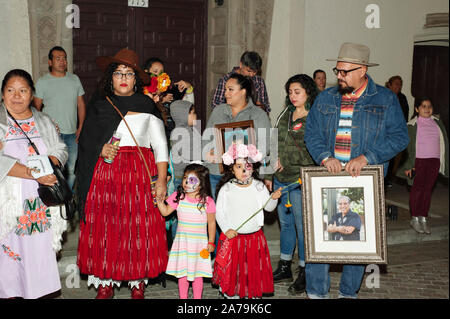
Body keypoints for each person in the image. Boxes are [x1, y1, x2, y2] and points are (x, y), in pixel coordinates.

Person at [304, 42, 409, 299]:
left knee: (357, 241)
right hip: (327, 179)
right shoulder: (326, 98)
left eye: (345, 71)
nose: (338, 76)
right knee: (320, 238)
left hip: (364, 180)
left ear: (362, 70)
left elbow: (399, 137)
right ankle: (316, 294)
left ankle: (348, 293)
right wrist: (324, 156)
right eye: (337, 70)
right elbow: (312, 133)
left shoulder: (385, 99)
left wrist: (367, 157)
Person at [76, 48, 169, 299]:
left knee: (138, 227)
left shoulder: (146, 104)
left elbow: (160, 145)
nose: (124, 77)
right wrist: (100, 148)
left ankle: (138, 283)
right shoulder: (99, 104)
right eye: (118, 73)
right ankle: (105, 281)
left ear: (136, 78)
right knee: (106, 227)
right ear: (111, 77)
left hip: (140, 173)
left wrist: (161, 180)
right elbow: (85, 142)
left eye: (129, 73)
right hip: (106, 174)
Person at [0, 69, 68, 299]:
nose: (16, 96)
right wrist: (33, 173)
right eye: (10, 90)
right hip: (9, 202)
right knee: (10, 255)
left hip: (41, 199)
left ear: (32, 95)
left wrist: (50, 165)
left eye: (23, 90)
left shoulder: (43, 120)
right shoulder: (0, 121)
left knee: (38, 251)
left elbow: (60, 148)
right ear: (2, 94)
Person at [266, 74, 318, 295]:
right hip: (281, 177)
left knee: (302, 226)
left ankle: (305, 270)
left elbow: (317, 147)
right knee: (285, 225)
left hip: (300, 179)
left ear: (308, 92)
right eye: (290, 92)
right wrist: (270, 169)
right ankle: (285, 265)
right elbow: (274, 139)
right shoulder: (286, 113)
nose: (293, 96)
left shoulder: (315, 116)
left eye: (297, 92)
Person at [212, 143, 282, 298]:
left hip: (254, 238)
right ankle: (234, 294)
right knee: (234, 270)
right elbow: (219, 213)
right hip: (234, 238)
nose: (244, 170)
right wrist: (226, 229)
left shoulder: (258, 186)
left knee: (252, 270)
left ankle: (252, 294)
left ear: (253, 167)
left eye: (247, 165)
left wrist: (273, 198)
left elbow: (268, 207)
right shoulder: (227, 189)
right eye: (239, 166)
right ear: (232, 169)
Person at [156, 163, 216, 299]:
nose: (186, 182)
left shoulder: (207, 201)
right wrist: (159, 201)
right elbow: (165, 212)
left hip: (199, 245)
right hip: (182, 244)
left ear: (202, 183)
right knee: (182, 273)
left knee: (197, 274)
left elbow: (211, 223)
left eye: (192, 180)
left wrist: (211, 241)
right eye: (185, 178)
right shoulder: (179, 197)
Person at [33, 46, 86, 190]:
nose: (62, 61)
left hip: (72, 134)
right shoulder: (42, 82)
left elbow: (81, 104)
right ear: (50, 62)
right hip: (51, 135)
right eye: (58, 58)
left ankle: (65, 201)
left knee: (71, 172)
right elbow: (36, 109)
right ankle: (54, 199)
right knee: (52, 169)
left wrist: (81, 127)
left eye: (64, 58)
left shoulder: (74, 79)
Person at [396, 97, 449, 234]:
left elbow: (445, 143)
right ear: (417, 109)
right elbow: (407, 148)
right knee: (416, 189)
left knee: (427, 190)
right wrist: (408, 166)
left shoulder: (437, 122)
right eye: (424, 106)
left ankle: (423, 218)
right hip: (417, 163)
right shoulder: (412, 125)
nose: (427, 109)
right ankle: (414, 218)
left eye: (429, 106)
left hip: (434, 161)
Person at [168, 100, 200, 240]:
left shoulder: (185, 131)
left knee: (183, 215)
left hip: (184, 179)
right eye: (191, 113)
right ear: (181, 116)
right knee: (183, 217)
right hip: (184, 181)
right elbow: (194, 155)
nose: (195, 116)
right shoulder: (182, 134)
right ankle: (178, 245)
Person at [385, 75, 410, 187]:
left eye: (400, 84)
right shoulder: (383, 96)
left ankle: (390, 178)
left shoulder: (402, 98)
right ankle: (383, 179)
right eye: (396, 83)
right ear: (389, 85)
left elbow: (405, 116)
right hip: (384, 132)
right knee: (385, 156)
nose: (398, 86)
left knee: (396, 157)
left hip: (396, 132)